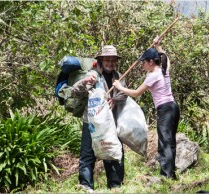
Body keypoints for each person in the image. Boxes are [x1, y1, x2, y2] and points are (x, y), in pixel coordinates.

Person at [113, 39, 180, 180]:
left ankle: (166, 175)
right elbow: (164, 55)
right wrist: (158, 45)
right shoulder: (164, 68)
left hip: (165, 109)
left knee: (164, 141)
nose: (142, 65)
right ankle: (171, 173)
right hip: (173, 107)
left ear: (151, 62)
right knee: (170, 140)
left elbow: (136, 93)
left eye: (143, 62)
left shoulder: (153, 76)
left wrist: (119, 87)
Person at [71, 45, 127, 192]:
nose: (110, 63)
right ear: (101, 60)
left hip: (111, 123)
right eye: (107, 60)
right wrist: (84, 82)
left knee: (113, 152)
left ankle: (115, 186)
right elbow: (74, 91)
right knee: (88, 154)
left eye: (113, 60)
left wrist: (114, 100)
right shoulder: (93, 75)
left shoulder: (118, 76)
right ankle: (86, 186)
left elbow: (124, 95)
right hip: (92, 122)